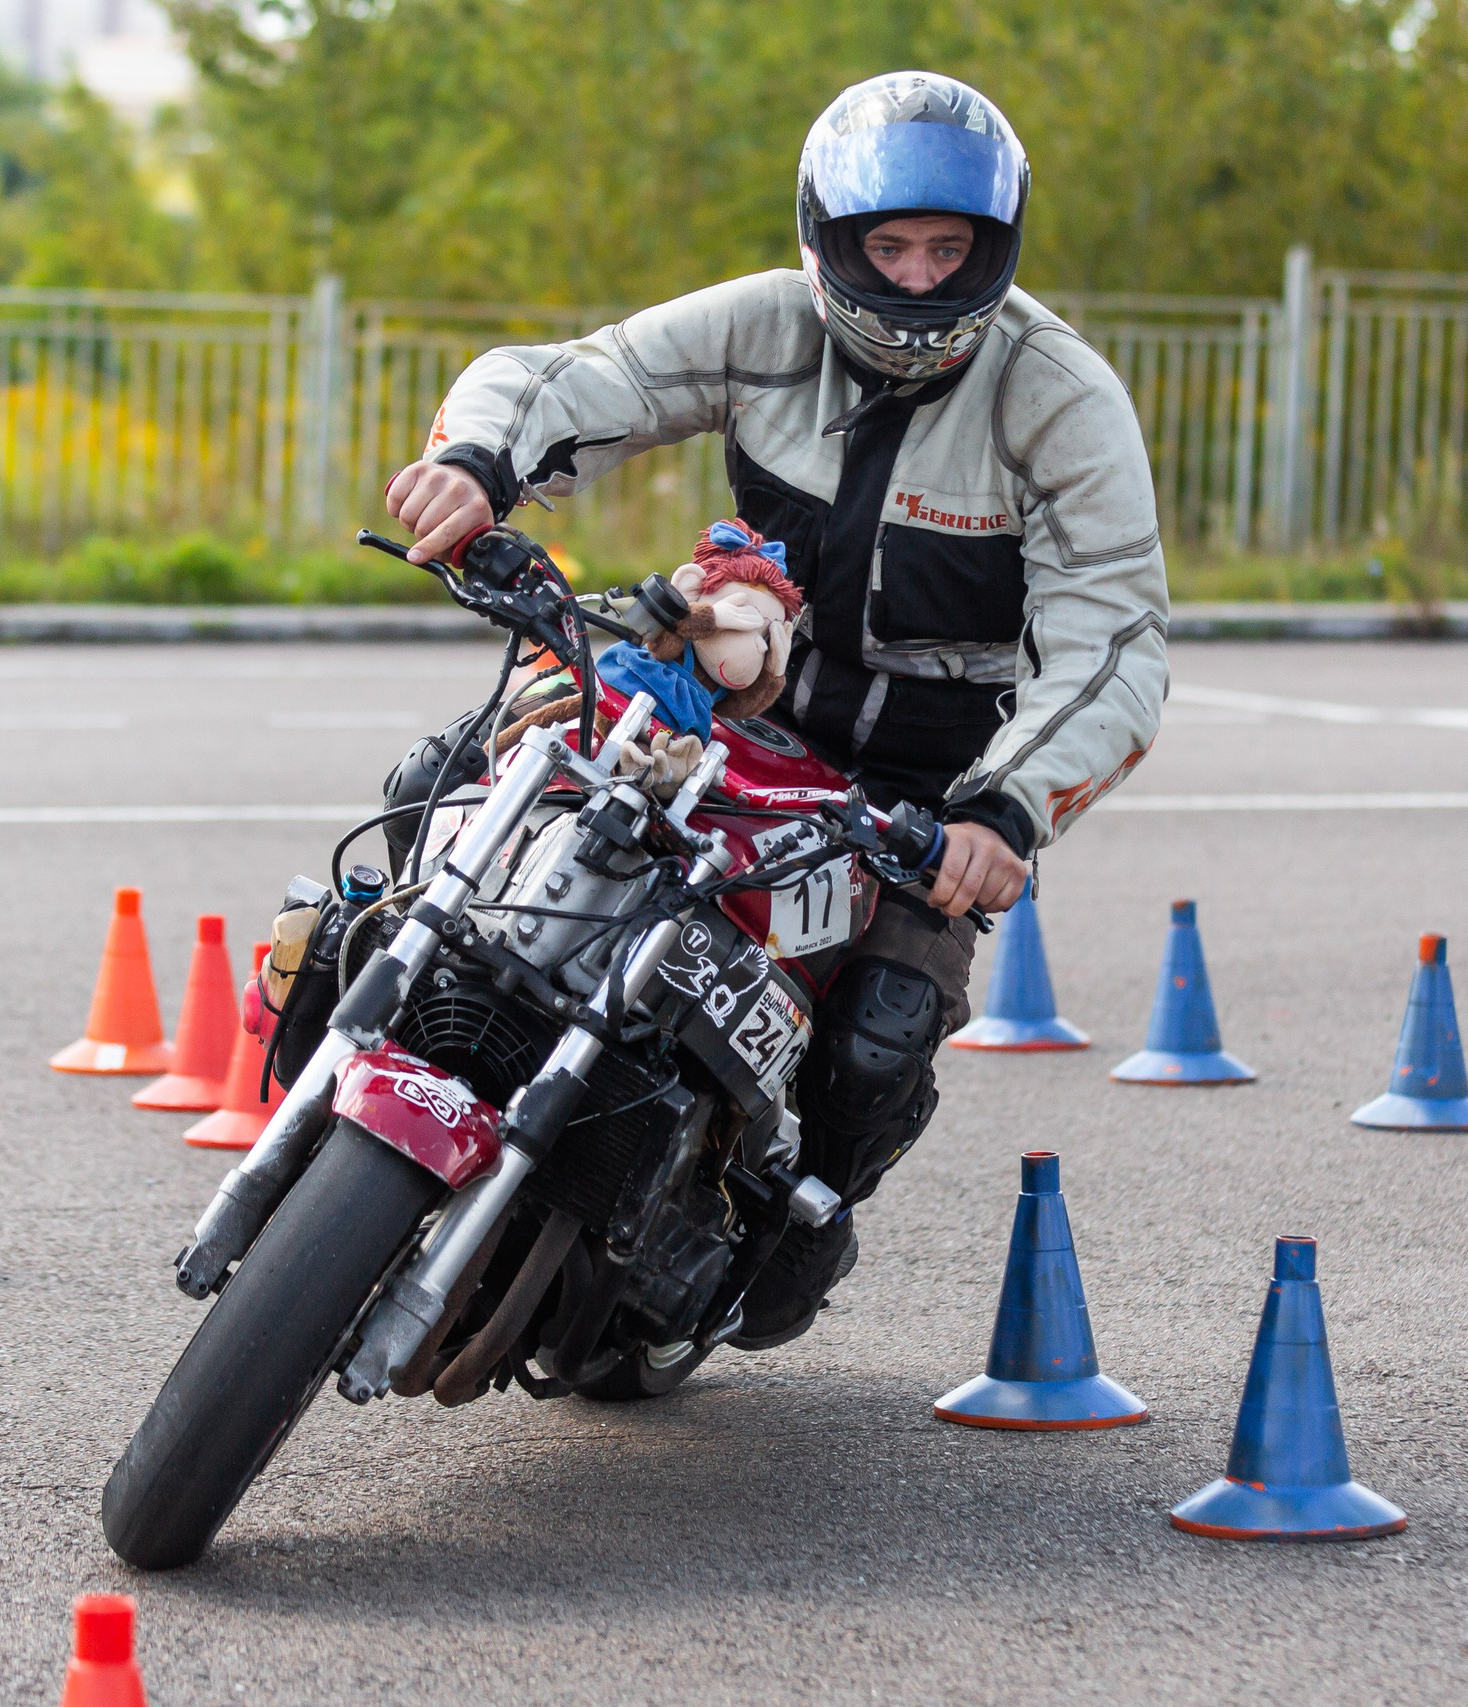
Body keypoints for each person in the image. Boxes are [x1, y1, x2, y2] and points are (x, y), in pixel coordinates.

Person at [382, 70, 1169, 1350]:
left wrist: (1009, 808)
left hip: (922, 789)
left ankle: (796, 1211)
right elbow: (576, 378)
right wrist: (481, 463)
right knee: (460, 780)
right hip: (733, 711)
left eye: (946, 249)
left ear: (993, 248)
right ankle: (377, 1011)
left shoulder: (1059, 397)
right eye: (889, 247)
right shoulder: (762, 323)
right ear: (832, 242)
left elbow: (1115, 635)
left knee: (878, 1040)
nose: (915, 280)